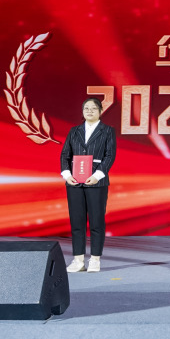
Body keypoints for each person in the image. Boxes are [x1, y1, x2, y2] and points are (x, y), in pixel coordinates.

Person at [60, 96, 117, 272]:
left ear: (100, 111)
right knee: (77, 222)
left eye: (93, 108)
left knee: (96, 221)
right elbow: (65, 155)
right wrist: (67, 175)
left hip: (96, 182)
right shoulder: (74, 131)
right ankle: (78, 260)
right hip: (74, 182)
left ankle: (95, 259)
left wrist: (98, 175)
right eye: (86, 108)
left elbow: (110, 155)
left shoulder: (107, 131)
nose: (89, 111)